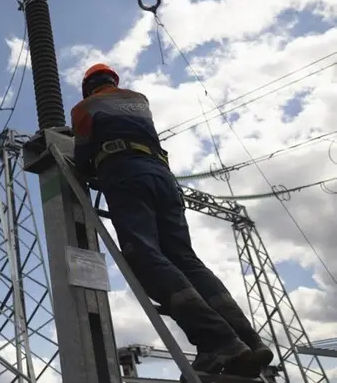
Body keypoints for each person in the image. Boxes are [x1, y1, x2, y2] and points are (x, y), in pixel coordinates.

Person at [70, 64, 274, 377]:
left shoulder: (86, 107)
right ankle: (248, 341)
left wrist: (90, 167)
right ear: (113, 81)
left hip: (126, 174)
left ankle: (218, 341)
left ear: (88, 87)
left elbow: (82, 156)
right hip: (163, 178)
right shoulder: (138, 100)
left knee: (145, 256)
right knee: (185, 259)